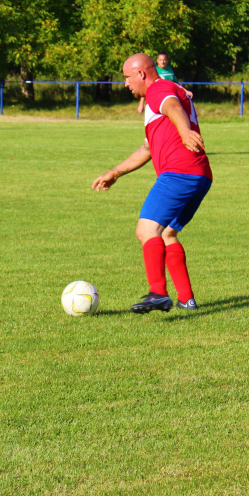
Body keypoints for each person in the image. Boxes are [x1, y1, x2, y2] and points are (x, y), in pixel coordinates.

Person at [92, 53, 212, 313]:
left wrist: (184, 131)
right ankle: (186, 298)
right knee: (168, 233)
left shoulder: (158, 90)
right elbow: (147, 149)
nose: (125, 84)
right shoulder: (158, 101)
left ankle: (158, 293)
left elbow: (172, 106)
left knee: (146, 231)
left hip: (179, 172)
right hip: (199, 174)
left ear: (141, 74)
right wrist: (115, 172)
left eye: (127, 77)